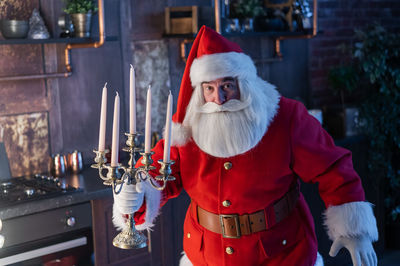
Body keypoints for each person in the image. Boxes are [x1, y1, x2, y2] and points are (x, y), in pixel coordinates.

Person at [113, 26, 378, 266]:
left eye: (227, 85)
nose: (219, 98)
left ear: (245, 83)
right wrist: (136, 193)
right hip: (206, 256)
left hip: (282, 255)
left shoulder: (285, 116)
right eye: (209, 88)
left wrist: (355, 231)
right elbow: (157, 173)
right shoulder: (186, 127)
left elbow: (332, 168)